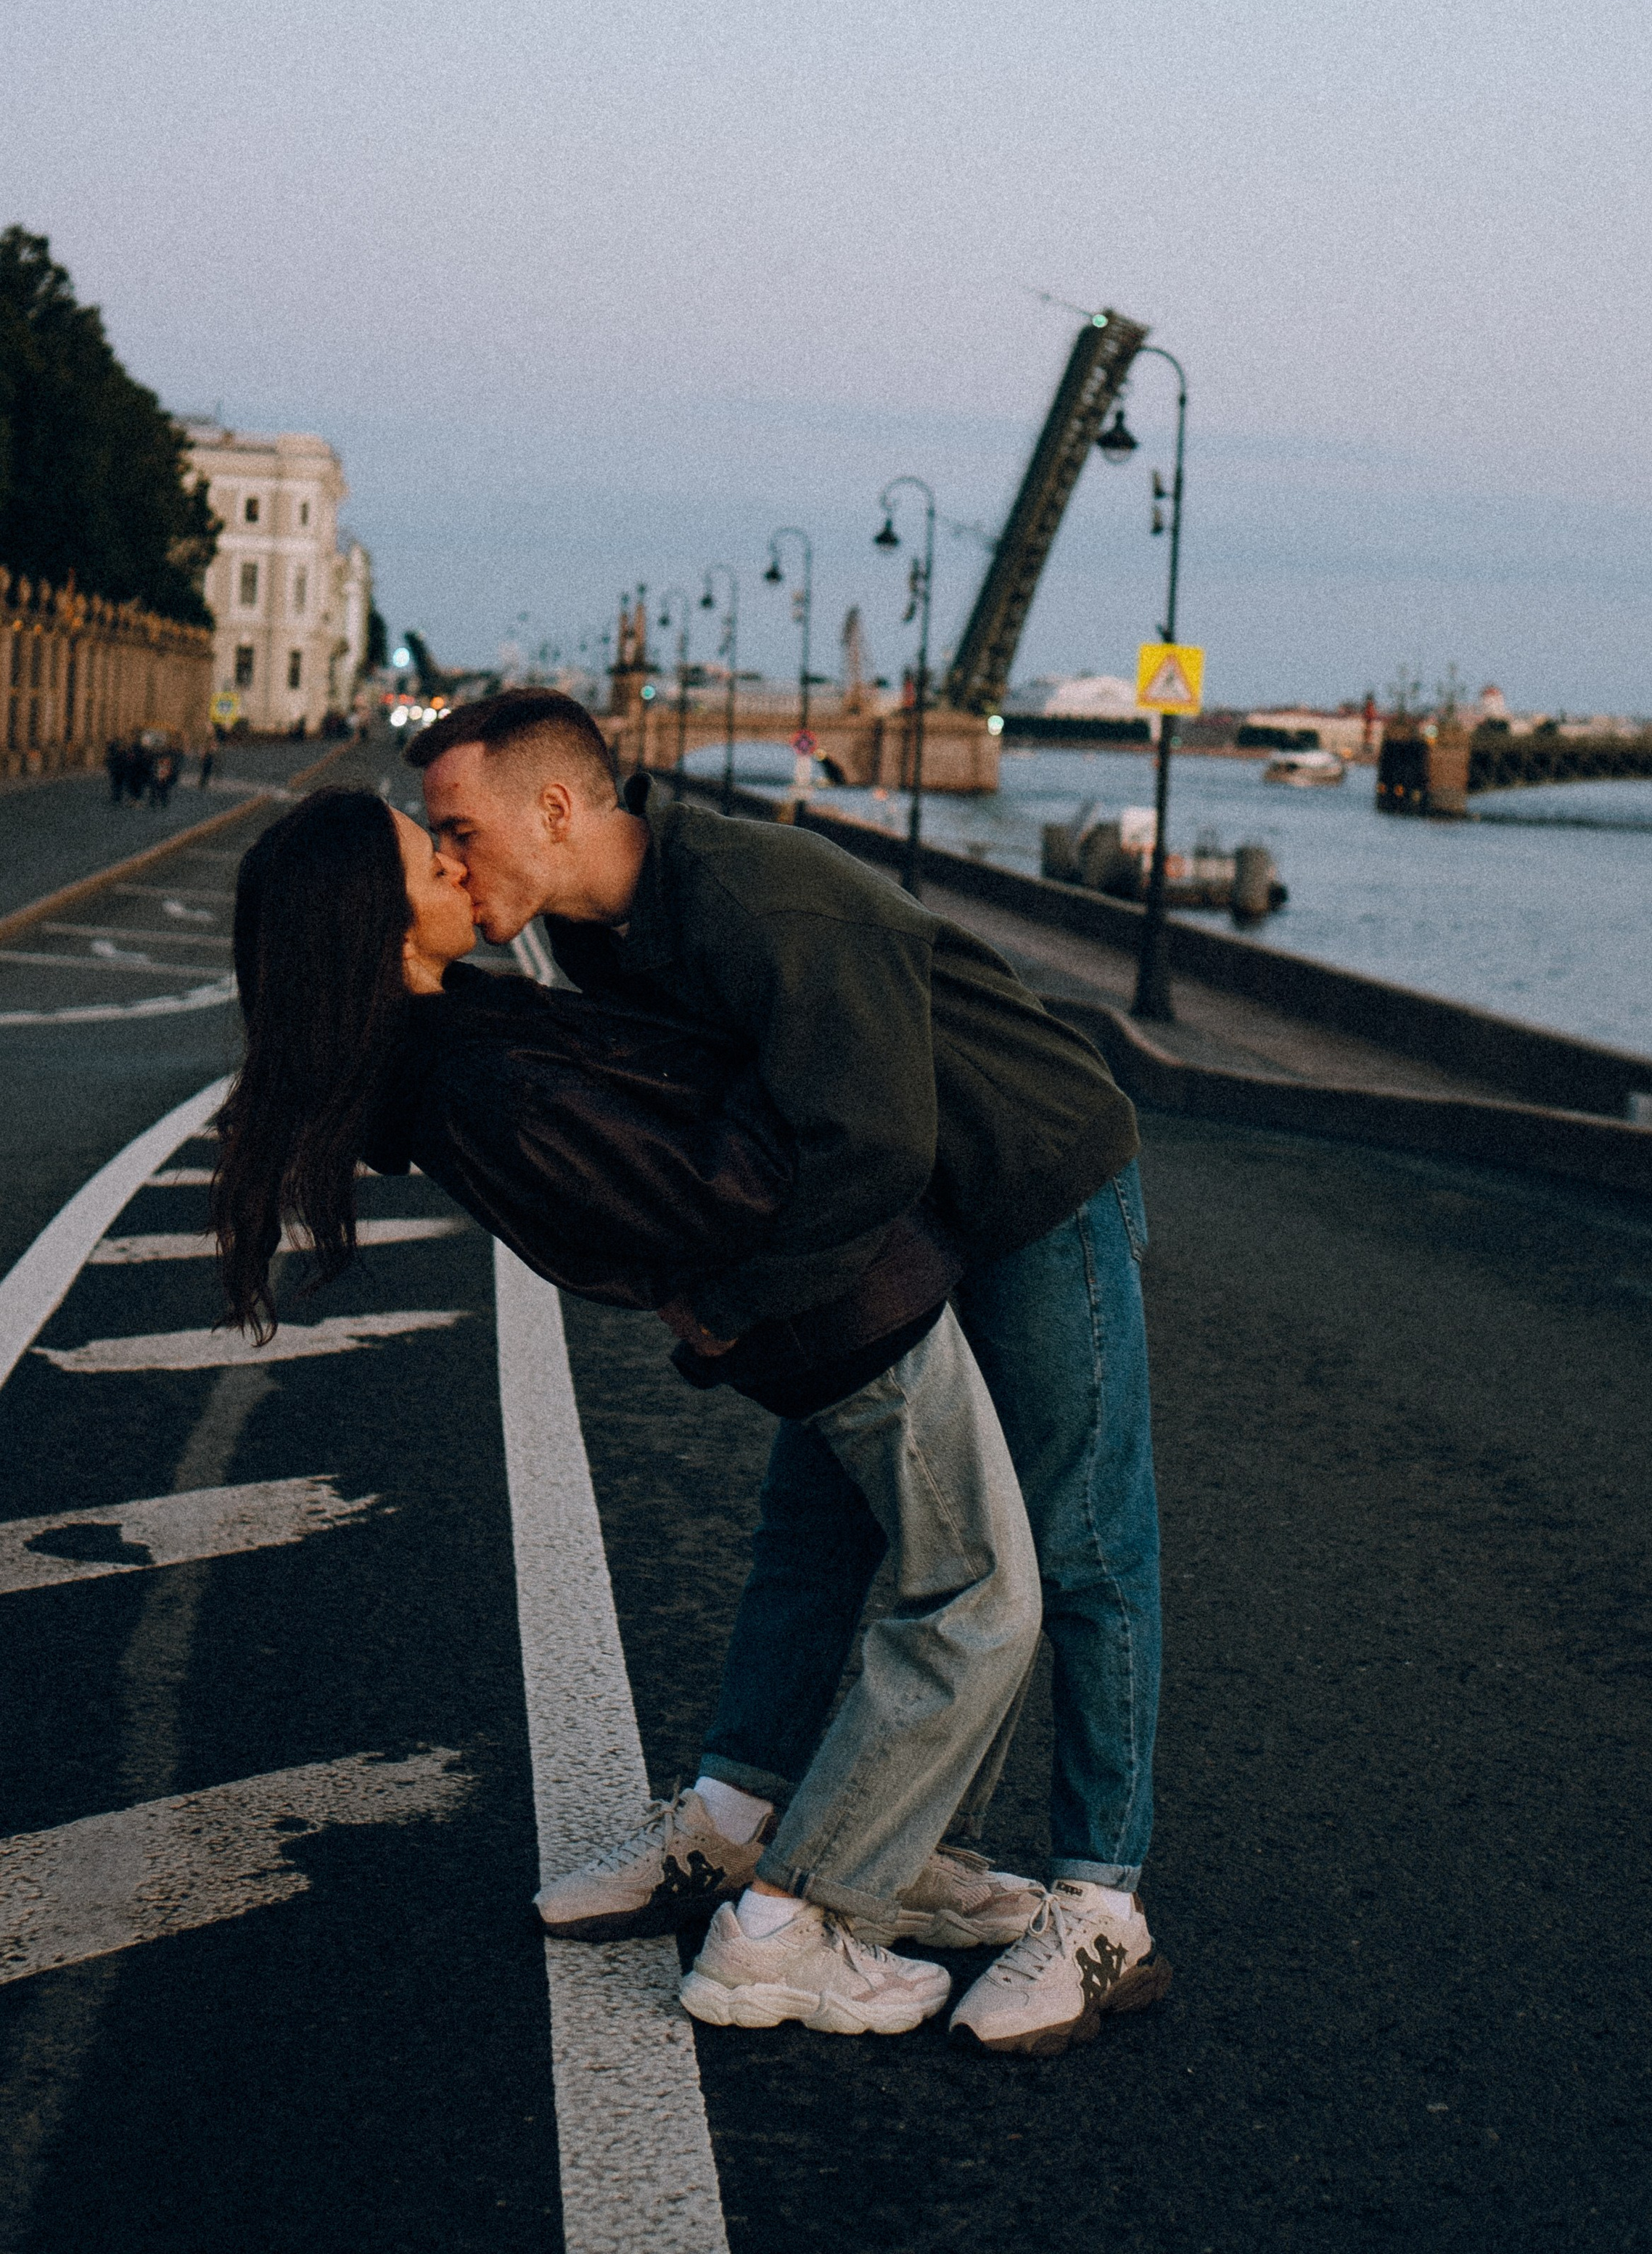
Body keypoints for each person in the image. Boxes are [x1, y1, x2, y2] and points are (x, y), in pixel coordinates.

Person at [411, 688, 1171, 2058]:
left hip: (1025, 1178)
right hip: (888, 1234)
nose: (447, 858)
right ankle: (747, 1826)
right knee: (809, 1533)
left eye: (456, 827)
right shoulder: (599, 939)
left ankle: (1100, 1899)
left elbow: (866, 1142)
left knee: (1080, 1551)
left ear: (558, 809)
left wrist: (728, 1311)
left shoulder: (768, 906)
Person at [212, 788, 1043, 2039]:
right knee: (977, 1602)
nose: (449, 855)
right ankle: (789, 1930)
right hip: (846, 1317)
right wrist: (816, 1050)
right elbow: (716, 1197)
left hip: (839, 1309)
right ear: (374, 920)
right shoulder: (476, 1083)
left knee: (918, 1582)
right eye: (421, 851)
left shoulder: (460, 1037)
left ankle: (890, 1851)